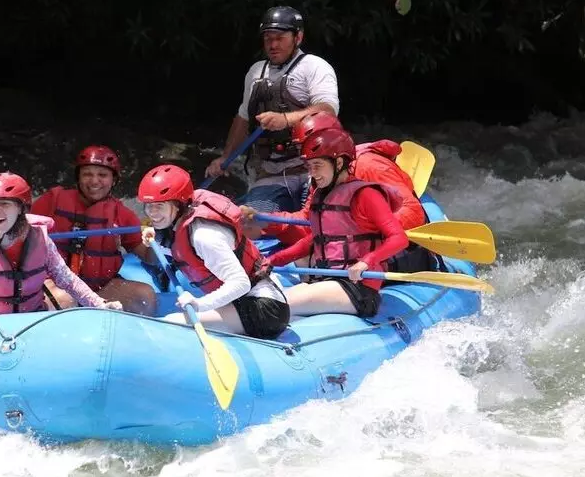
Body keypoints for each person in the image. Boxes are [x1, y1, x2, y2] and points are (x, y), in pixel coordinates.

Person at [243, 112, 434, 273]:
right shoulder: (323, 176)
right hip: (355, 251)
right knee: (305, 260)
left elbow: (413, 213)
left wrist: (355, 227)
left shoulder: (370, 166)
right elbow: (311, 224)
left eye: (310, 148)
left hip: (395, 252)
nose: (306, 157)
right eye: (303, 150)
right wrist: (266, 222)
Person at [0, 172, 122, 329]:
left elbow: (67, 279)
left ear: (21, 208)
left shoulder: (41, 240)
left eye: (5, 204)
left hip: (31, 320)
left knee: (65, 299)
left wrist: (99, 303)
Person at [204, 5, 340, 213]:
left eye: (280, 38)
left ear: (298, 37)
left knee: (324, 220)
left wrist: (285, 119)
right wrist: (225, 157)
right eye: (268, 38)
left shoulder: (314, 66)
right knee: (250, 225)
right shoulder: (255, 72)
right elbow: (243, 119)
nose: (273, 45)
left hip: (313, 172)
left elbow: (327, 111)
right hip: (271, 174)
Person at [267, 128, 409, 317]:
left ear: (339, 162)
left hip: (359, 288)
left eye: (317, 165)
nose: (312, 173)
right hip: (327, 279)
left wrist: (367, 261)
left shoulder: (366, 195)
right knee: (275, 298)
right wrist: (273, 260)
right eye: (309, 166)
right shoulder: (321, 195)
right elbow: (314, 241)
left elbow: (399, 238)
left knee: (275, 303)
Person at [138, 164, 289, 339]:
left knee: (173, 323)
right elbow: (189, 254)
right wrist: (156, 241)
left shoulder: (205, 236)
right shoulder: (185, 219)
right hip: (243, 299)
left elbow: (240, 283)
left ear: (178, 204)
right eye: (148, 206)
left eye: (159, 206)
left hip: (265, 309)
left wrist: (199, 304)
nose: (152, 213)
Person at [30, 145, 157, 315]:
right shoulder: (52, 201)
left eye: (102, 175)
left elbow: (149, 256)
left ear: (114, 180)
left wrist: (161, 233)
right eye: (87, 174)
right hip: (55, 284)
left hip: (99, 287)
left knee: (144, 297)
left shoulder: (123, 215)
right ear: (78, 178)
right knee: (65, 299)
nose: (94, 181)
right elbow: (22, 235)